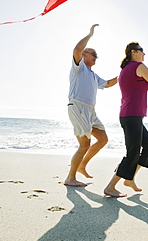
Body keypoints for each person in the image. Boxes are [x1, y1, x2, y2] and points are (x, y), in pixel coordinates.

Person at [104, 42, 148, 197]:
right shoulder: (138, 66)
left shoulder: (124, 70)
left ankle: (129, 179)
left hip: (132, 116)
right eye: (142, 51)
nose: (144, 54)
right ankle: (110, 187)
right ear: (134, 52)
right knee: (132, 154)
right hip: (131, 115)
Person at [64, 24, 118, 187]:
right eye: (93, 54)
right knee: (84, 144)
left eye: (96, 55)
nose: (96, 57)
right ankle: (70, 178)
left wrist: (123, 73)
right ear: (84, 54)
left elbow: (108, 84)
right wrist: (90, 34)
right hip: (78, 107)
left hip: (91, 111)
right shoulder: (78, 68)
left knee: (102, 139)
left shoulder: (93, 75)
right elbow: (76, 50)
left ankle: (82, 165)